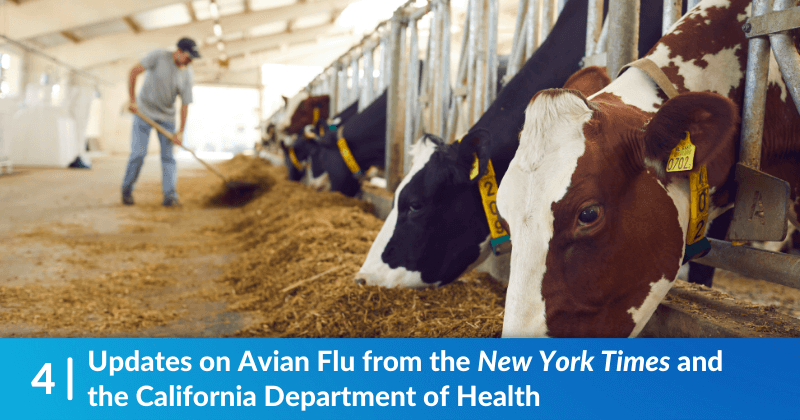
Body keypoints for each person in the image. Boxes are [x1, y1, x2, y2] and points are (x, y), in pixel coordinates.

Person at [121, 37, 199, 207]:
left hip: (167, 119)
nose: (189, 61)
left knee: (169, 157)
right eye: (187, 57)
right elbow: (134, 71)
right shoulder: (158, 56)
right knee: (138, 154)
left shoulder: (187, 73)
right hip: (144, 113)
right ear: (178, 52)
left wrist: (180, 131)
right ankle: (126, 190)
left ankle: (170, 196)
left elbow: (185, 104)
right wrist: (132, 100)